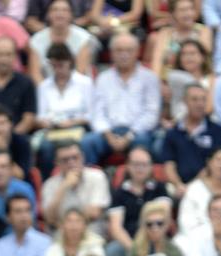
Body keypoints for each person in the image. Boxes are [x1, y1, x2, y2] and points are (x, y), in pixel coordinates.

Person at [81, 32, 161, 165]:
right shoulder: (103, 78)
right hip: (109, 132)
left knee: (144, 141)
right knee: (87, 142)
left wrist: (129, 137)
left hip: (137, 132)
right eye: (119, 50)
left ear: (137, 52)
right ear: (111, 53)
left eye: (129, 50)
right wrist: (108, 135)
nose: (124, 55)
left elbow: (151, 114)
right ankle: (91, 180)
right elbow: (97, 112)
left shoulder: (150, 78)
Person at [106, 146, 170, 256]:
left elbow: (164, 218)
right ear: (128, 166)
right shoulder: (120, 193)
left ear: (151, 166)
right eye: (135, 164)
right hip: (129, 243)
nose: (140, 168)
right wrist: (135, 249)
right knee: (111, 252)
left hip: (156, 240)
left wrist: (150, 244)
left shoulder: (159, 188)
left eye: (144, 164)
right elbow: (116, 228)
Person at [33, 41, 94, 180]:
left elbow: (91, 115)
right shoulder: (44, 86)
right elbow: (40, 116)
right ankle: (48, 182)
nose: (58, 69)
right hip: (54, 130)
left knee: (87, 143)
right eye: (54, 65)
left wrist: (72, 122)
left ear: (69, 62)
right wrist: (49, 123)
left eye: (61, 64)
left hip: (78, 127)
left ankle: (85, 179)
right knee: (45, 147)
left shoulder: (85, 83)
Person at [160, 83, 221, 197]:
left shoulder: (217, 131)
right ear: (185, 101)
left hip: (207, 185)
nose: (200, 104)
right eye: (194, 100)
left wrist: (191, 187)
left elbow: (214, 165)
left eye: (203, 100)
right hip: (178, 187)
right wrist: (178, 185)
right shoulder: (173, 132)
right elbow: (169, 164)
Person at [41, 140, 110, 234]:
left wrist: (65, 222)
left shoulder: (97, 177)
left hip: (91, 234)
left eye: (75, 157)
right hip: (61, 237)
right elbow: (49, 219)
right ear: (57, 163)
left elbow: (94, 213)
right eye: (65, 160)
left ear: (82, 157)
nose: (71, 163)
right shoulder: (49, 185)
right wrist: (64, 186)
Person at [28, 0, 97, 83]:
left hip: (77, 89)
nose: (59, 14)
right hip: (45, 89)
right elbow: (35, 74)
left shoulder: (83, 38)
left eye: (65, 10)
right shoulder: (36, 40)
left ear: (71, 15)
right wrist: (47, 92)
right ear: (48, 14)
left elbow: (80, 72)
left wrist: (66, 93)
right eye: (55, 9)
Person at [177, 147, 221, 236]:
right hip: (195, 239)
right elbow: (185, 221)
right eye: (218, 160)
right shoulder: (195, 188)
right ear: (209, 163)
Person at [149, 0, 212, 79]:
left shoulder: (203, 31)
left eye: (190, 9)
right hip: (168, 82)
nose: (188, 14)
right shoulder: (164, 33)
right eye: (182, 10)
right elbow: (156, 64)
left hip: (196, 82)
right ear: (173, 14)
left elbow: (204, 61)